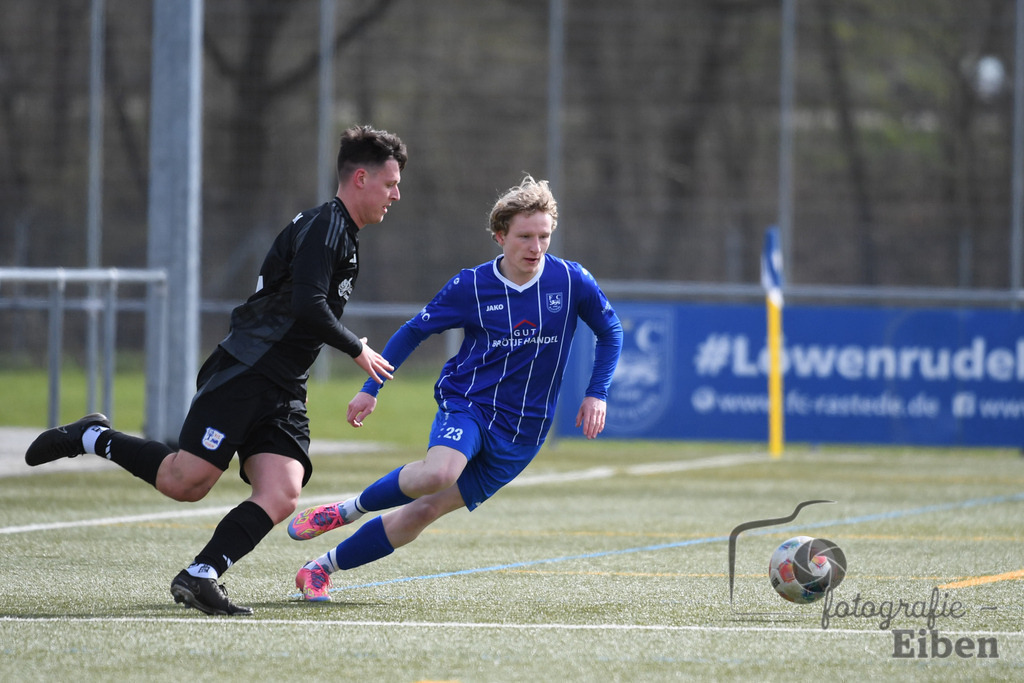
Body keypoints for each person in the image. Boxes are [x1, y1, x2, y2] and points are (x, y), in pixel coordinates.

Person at [24, 125, 408, 616]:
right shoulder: (326, 225)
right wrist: (358, 350)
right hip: (247, 369)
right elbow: (307, 304)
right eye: (390, 183)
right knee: (186, 483)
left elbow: (304, 315)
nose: (396, 194)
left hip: (283, 383)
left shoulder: (345, 236)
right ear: (360, 178)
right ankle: (91, 436)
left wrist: (302, 372)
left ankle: (200, 574)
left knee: (283, 490)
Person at [287, 175, 623, 602]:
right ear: (500, 236)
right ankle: (346, 510)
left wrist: (598, 392)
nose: (535, 247)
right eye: (524, 236)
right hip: (470, 404)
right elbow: (413, 332)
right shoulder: (472, 286)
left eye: (544, 236)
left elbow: (611, 332)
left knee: (425, 510)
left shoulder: (572, 281)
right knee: (439, 471)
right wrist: (372, 388)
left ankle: (320, 569)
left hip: (524, 432)